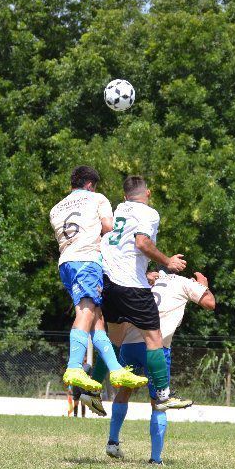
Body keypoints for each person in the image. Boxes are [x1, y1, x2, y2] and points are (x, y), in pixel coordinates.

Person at [49, 166, 149, 402]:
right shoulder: (96, 198)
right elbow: (108, 227)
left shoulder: (56, 208)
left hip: (66, 263)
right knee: (86, 310)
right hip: (88, 261)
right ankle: (74, 366)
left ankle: (115, 370)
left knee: (98, 322)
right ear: (91, 185)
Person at [105, 269, 216, 464]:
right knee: (159, 403)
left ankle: (112, 442)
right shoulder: (183, 282)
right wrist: (202, 286)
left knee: (123, 392)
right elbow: (210, 303)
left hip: (130, 343)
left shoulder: (145, 279)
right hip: (156, 347)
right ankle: (155, 459)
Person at [101, 176, 191, 411]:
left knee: (114, 340)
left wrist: (146, 271)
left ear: (124, 197)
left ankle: (90, 388)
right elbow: (142, 243)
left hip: (108, 282)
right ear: (148, 193)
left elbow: (121, 244)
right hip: (131, 286)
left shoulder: (120, 209)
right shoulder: (149, 213)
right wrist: (167, 262)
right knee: (154, 339)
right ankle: (163, 394)